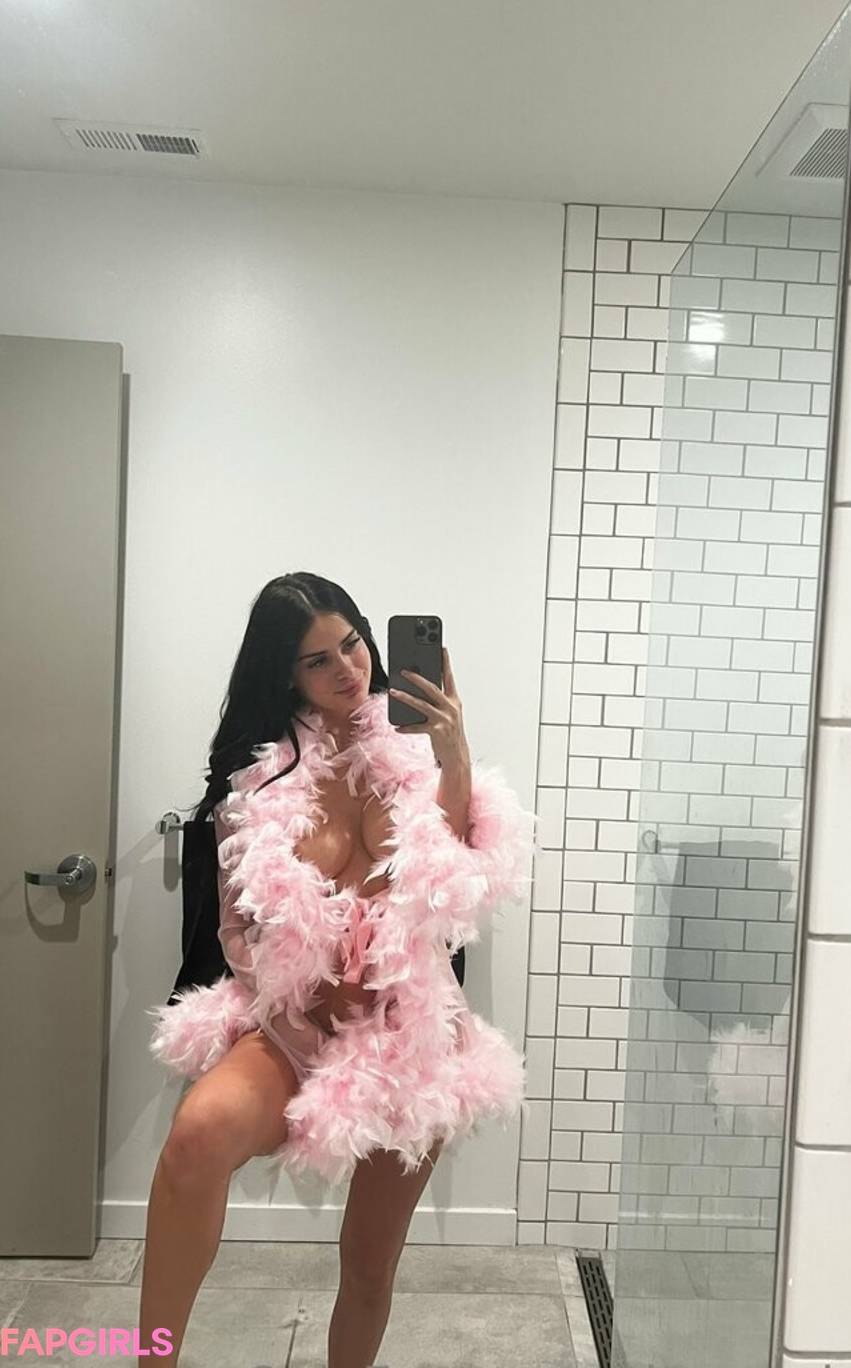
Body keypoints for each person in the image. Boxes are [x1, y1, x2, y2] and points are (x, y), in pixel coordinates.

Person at [139, 573, 537, 1368]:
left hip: (410, 1034)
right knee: (196, 1135)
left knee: (368, 1264)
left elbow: (458, 884)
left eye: (352, 644)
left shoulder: (420, 760)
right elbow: (234, 927)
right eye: (318, 660)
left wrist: (454, 751)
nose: (347, 669)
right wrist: (295, 986)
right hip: (296, 1022)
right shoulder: (260, 779)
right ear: (286, 675)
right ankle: (151, 1360)